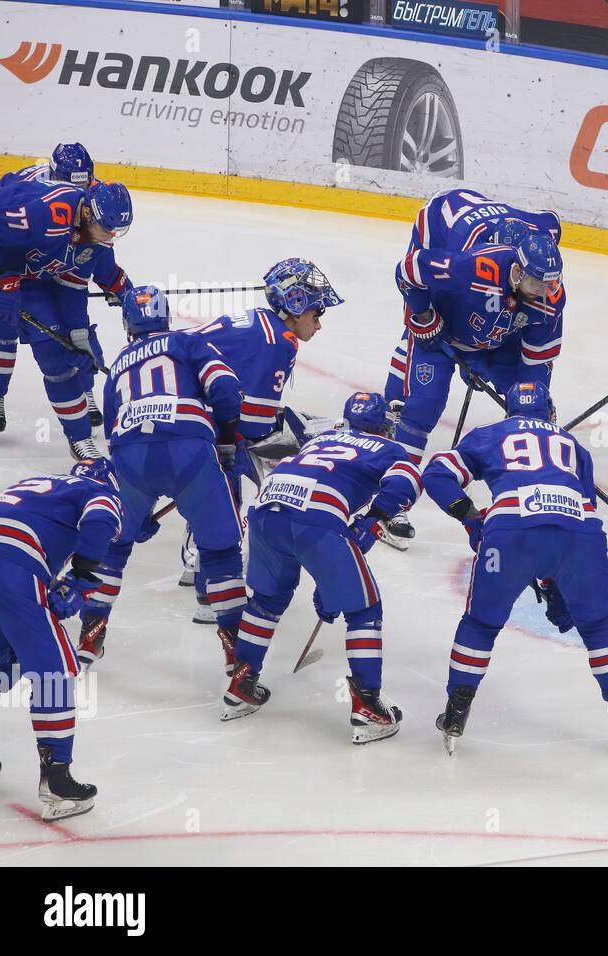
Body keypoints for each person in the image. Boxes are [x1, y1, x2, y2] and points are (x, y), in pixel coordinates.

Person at [419, 381, 608, 755]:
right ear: (550, 412)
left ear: (509, 412)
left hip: (510, 534)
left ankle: (456, 712)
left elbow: (436, 474)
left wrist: (470, 518)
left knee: (480, 624)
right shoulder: (574, 447)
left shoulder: (489, 435)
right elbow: (575, 512)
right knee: (599, 624)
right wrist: (555, 580)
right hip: (580, 536)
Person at [225, 391, 420, 743]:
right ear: (382, 425)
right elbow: (407, 483)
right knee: (364, 610)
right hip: (316, 516)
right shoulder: (390, 449)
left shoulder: (324, 435)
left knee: (266, 601)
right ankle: (369, 707)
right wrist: (373, 522)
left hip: (267, 507)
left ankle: (241, 682)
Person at [76, 286, 249, 672]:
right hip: (188, 448)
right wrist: (225, 441)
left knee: (116, 547)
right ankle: (239, 661)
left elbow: (113, 431)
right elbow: (225, 389)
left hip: (131, 457)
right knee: (221, 553)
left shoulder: (119, 362)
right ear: (165, 316)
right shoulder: (188, 340)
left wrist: (136, 511)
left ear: (127, 324)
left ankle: (91, 632)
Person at [179, 257, 343, 619]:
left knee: (225, 464)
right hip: (190, 418)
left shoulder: (259, 322)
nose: (319, 322)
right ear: (296, 305)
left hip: (179, 407)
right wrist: (299, 433)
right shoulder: (277, 340)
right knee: (235, 470)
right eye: (317, 312)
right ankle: (214, 591)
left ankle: (196, 558)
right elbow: (251, 423)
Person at [0, 457, 122, 819]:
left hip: (5, 555)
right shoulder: (98, 490)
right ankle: (57, 778)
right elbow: (100, 520)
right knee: (55, 672)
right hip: (11, 566)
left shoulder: (38, 484)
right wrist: (80, 578)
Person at [0, 143, 132, 442]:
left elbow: (80, 278)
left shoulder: (98, 207)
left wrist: (118, 288)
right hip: (25, 263)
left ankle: (84, 391)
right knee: (3, 328)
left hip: (50, 267)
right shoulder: (39, 200)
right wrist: (4, 277)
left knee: (73, 338)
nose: (111, 237)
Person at [392, 231, 565, 464]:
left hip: (499, 344)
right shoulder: (474, 269)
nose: (544, 292)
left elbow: (537, 360)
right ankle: (396, 480)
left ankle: (528, 475)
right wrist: (424, 315)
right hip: (442, 337)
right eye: (536, 283)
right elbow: (409, 269)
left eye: (550, 284)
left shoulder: (551, 301)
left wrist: (536, 405)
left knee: (530, 407)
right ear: (517, 272)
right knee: (423, 406)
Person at [383, 188, 561, 407]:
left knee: (506, 314)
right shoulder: (467, 259)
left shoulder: (543, 237)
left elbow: (552, 219)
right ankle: (396, 401)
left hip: (498, 224)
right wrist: (424, 315)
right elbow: (413, 272)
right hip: (440, 220)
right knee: (422, 327)